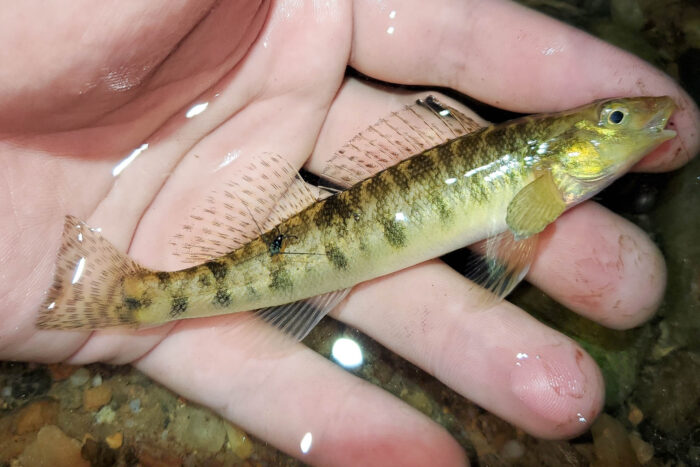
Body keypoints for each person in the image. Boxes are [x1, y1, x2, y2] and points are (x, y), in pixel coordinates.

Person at [0, 1, 697, 465]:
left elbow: (520, 227)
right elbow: (520, 229)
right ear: (569, 141)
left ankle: (131, 294)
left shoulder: (554, 168)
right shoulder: (549, 171)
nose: (630, 121)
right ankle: (133, 295)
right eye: (611, 119)